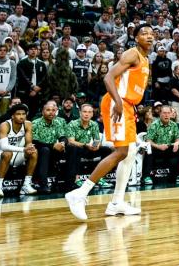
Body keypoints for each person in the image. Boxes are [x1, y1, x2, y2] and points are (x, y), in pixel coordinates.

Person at [65, 24, 153, 220]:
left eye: (152, 34)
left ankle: (117, 202)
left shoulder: (145, 59)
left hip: (127, 106)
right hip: (117, 103)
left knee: (129, 153)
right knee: (122, 151)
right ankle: (79, 194)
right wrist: (119, 102)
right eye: (144, 33)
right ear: (135, 37)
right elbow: (108, 77)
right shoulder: (132, 54)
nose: (149, 36)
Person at [64, 103, 112, 189]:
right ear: (80, 113)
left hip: (87, 148)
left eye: (89, 112)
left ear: (92, 114)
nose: (87, 114)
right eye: (85, 112)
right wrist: (86, 145)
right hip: (75, 149)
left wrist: (95, 146)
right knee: (74, 148)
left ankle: (99, 177)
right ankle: (75, 178)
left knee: (106, 150)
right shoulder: (72, 124)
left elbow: (97, 140)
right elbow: (71, 141)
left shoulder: (94, 124)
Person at [143, 105, 179, 185]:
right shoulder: (154, 125)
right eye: (164, 113)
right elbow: (148, 140)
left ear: (171, 114)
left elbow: (178, 140)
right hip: (157, 149)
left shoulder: (174, 125)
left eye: (168, 113)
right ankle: (146, 177)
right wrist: (158, 146)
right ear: (160, 114)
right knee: (149, 150)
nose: (166, 115)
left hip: (168, 148)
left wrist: (176, 144)